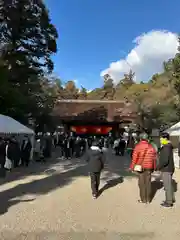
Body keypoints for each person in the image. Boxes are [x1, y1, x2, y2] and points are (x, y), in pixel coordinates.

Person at [130, 133, 157, 204]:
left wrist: (132, 167)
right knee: (148, 183)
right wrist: (153, 167)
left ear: (140, 138)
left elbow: (134, 158)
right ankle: (148, 199)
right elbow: (154, 158)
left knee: (141, 183)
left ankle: (143, 199)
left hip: (140, 167)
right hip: (149, 167)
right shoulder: (151, 147)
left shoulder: (138, 146)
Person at [156, 132, 175, 207]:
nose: (160, 139)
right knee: (169, 185)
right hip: (169, 168)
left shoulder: (166, 147)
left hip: (166, 169)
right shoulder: (167, 146)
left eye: (161, 138)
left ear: (165, 138)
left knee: (167, 186)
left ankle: (168, 202)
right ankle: (171, 198)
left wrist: (158, 167)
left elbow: (165, 160)